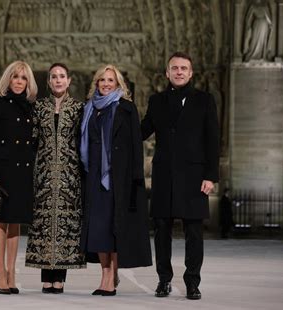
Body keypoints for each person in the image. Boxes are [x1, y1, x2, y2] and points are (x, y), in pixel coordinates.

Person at [141, 52, 219, 300]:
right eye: (174, 68)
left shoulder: (205, 100)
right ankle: (163, 280)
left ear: (191, 72)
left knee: (194, 232)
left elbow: (212, 140)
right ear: (167, 73)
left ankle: (192, 282)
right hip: (164, 174)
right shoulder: (156, 101)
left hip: (195, 175)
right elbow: (142, 131)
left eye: (184, 68)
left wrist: (211, 175)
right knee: (162, 230)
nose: (179, 72)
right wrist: (120, 113)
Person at [80, 64, 152, 296]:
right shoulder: (89, 108)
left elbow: (134, 146)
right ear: (97, 83)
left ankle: (112, 276)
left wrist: (135, 179)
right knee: (99, 230)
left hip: (117, 178)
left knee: (115, 228)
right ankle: (104, 275)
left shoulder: (126, 108)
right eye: (102, 80)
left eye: (111, 80)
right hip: (94, 178)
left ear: (118, 84)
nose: (106, 84)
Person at [0, 60, 37, 295]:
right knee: (1, 221)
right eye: (15, 77)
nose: (19, 82)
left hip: (22, 172)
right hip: (1, 172)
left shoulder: (31, 107)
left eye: (23, 78)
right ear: (7, 79)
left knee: (16, 222)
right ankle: (1, 271)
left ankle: (12, 272)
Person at [25, 63, 86, 294]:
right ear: (48, 82)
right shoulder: (39, 108)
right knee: (44, 224)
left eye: (62, 76)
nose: (58, 80)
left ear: (69, 81)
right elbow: (31, 141)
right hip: (44, 175)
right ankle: (46, 276)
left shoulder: (79, 109)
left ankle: (60, 277)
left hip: (71, 176)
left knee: (65, 225)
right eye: (54, 77)